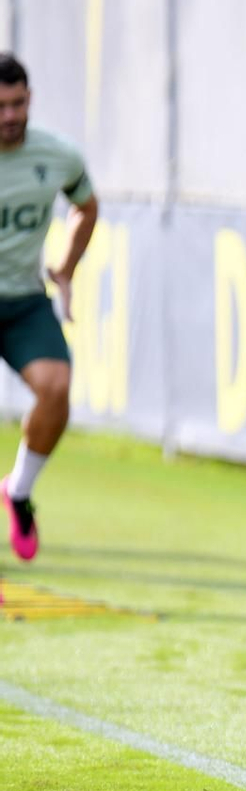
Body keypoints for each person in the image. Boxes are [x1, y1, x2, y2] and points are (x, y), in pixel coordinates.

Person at [0, 53, 97, 561]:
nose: (10, 115)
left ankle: (17, 491)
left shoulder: (57, 155)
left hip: (21, 300)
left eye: (17, 103)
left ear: (30, 99)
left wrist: (67, 268)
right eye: (0, 106)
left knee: (57, 389)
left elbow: (87, 204)